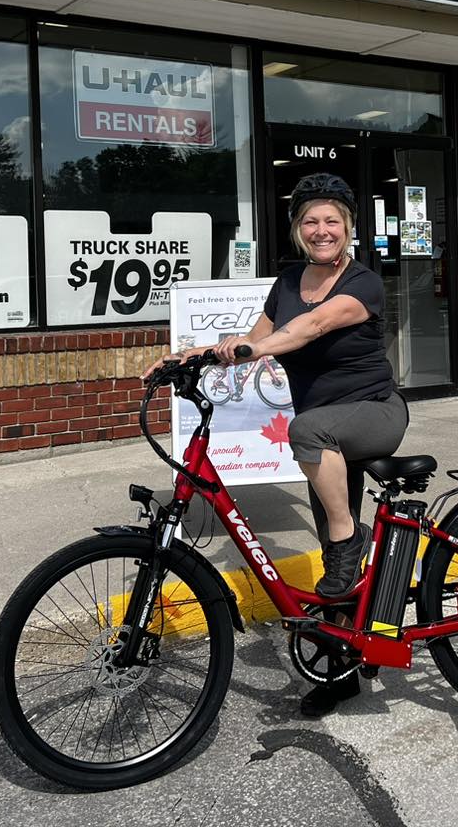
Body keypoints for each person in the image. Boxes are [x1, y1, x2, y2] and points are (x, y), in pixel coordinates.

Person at [142, 172, 408, 716]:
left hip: (374, 414)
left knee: (310, 446)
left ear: (349, 228)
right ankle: (340, 670)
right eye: (310, 220)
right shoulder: (288, 281)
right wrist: (185, 358)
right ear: (297, 230)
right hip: (325, 429)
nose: (321, 229)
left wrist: (254, 351)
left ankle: (347, 537)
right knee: (338, 567)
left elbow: (306, 330)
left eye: (332, 220)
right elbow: (252, 334)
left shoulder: (363, 283)